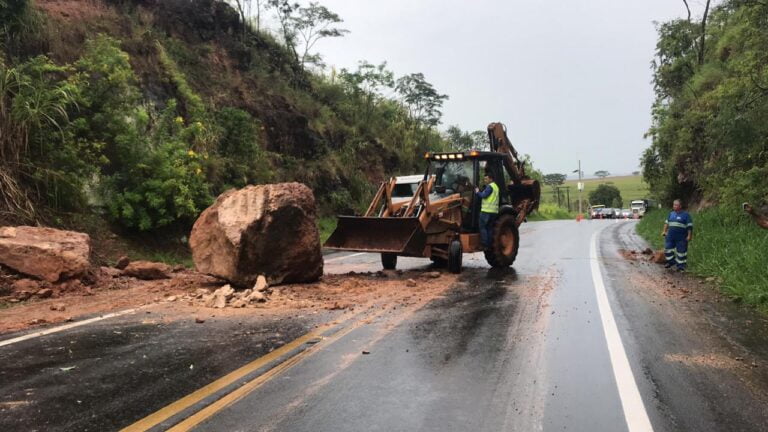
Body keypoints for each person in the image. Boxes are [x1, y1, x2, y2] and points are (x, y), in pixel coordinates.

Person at [661, 199, 693, 271]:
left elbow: (689, 226)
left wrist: (689, 235)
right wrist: (664, 231)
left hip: (681, 237)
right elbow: (666, 223)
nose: (674, 206)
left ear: (680, 206)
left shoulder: (686, 215)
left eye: (676, 205)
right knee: (667, 249)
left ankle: (681, 266)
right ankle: (671, 262)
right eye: (673, 205)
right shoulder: (671, 214)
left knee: (681, 252)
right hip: (670, 236)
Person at [475, 172, 499, 249]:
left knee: (482, 227)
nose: (485, 180)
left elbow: (483, 196)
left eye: (486, 178)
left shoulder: (490, 187)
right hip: (494, 212)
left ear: (491, 178)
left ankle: (484, 245)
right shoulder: (496, 187)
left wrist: (477, 192)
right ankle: (489, 244)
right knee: (489, 228)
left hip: (486, 211)